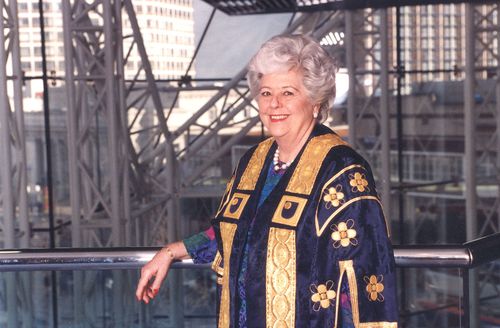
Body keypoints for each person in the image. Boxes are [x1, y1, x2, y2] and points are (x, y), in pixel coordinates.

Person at [136, 34, 398, 327]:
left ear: (315, 101)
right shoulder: (254, 161)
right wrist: (170, 252)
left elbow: (367, 276)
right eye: (265, 93)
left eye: (288, 93)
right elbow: (228, 235)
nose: (274, 104)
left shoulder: (341, 170)